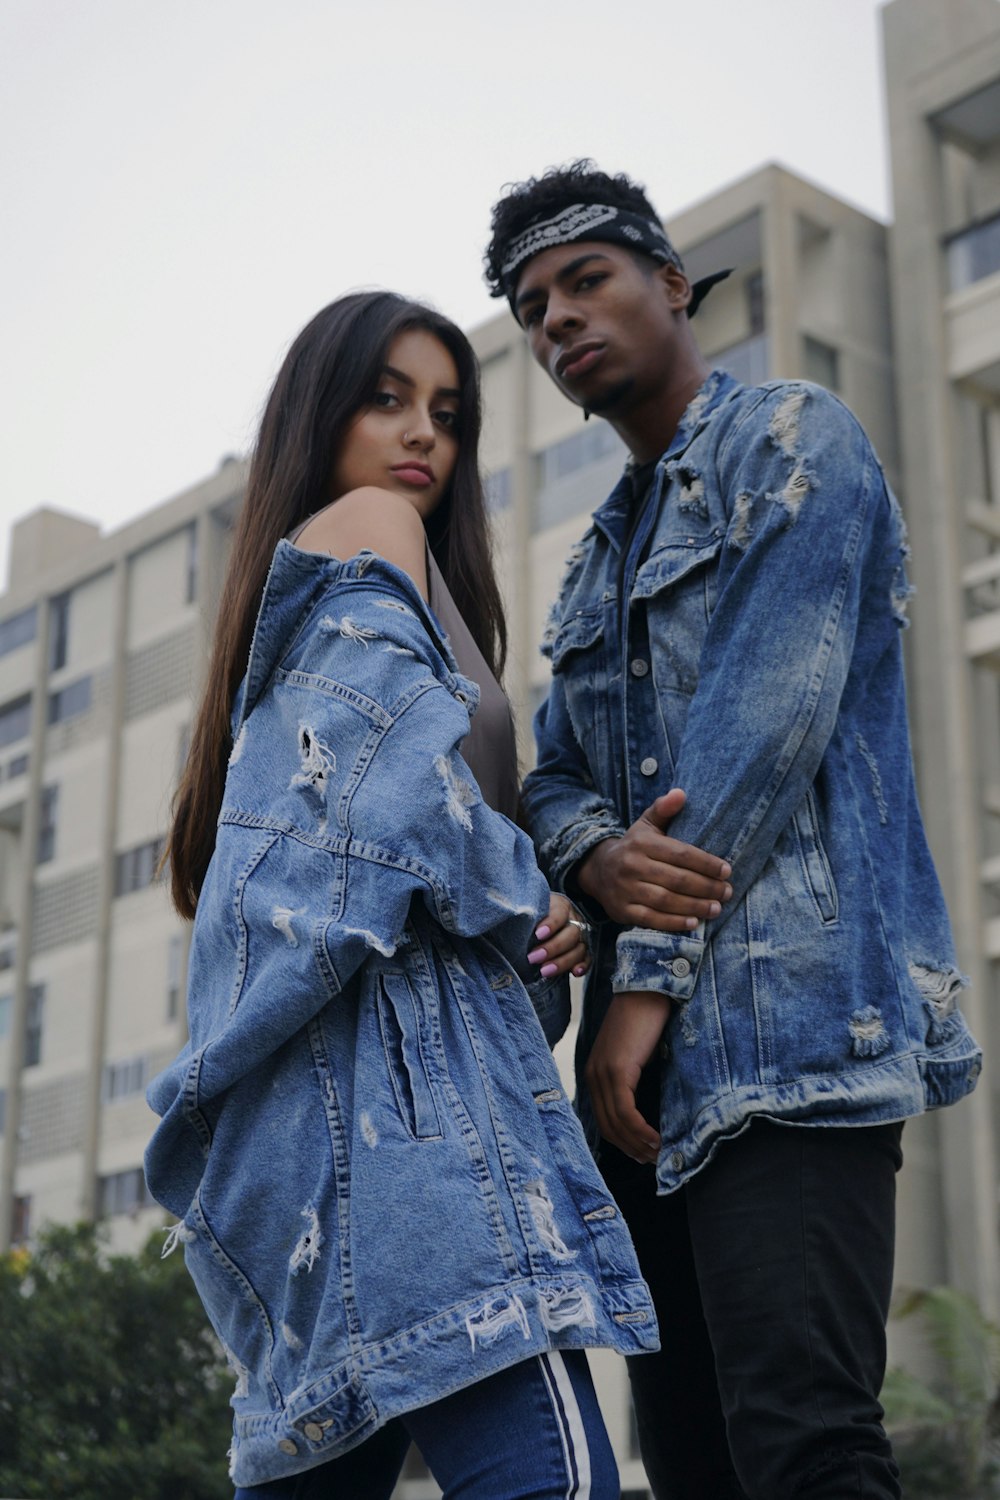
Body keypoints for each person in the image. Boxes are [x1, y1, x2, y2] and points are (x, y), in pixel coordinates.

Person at [483, 161, 983, 1500]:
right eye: (534, 309)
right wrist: (591, 855)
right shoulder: (593, 560)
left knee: (805, 1445)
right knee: (694, 1464)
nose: (559, 322)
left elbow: (756, 740)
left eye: (586, 282)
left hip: (793, 1042)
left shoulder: (796, 442)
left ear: (672, 285)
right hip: (632, 1100)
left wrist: (640, 985)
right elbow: (553, 782)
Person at [144, 290, 670, 1499]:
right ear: (318, 419)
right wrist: (520, 896)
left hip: (327, 1144)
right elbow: (389, 787)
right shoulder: (372, 523)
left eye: (444, 411)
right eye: (385, 399)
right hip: (414, 1117)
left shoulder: (322, 597)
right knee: (560, 1480)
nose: (421, 434)